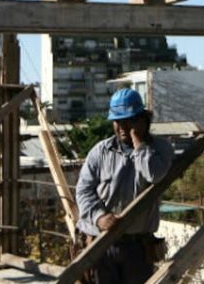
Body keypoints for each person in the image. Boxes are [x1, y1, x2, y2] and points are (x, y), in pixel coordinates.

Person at [76, 88, 174, 284]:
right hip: (101, 243)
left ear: (142, 120)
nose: (122, 127)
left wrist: (139, 145)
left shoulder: (160, 148)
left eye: (128, 121)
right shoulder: (101, 151)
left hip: (137, 247)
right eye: (117, 121)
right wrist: (99, 217)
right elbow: (83, 190)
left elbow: (154, 175)